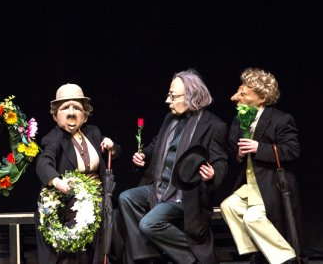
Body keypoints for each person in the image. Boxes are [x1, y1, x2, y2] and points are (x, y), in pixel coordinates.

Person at [118, 69, 228, 264]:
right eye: (169, 95)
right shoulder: (170, 119)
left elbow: (220, 161)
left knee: (149, 224)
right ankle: (147, 254)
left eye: (173, 96)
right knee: (126, 198)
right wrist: (144, 155)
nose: (167, 101)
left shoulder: (213, 125)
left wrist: (212, 174)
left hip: (185, 195)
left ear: (191, 96)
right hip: (160, 186)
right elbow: (156, 144)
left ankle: (191, 258)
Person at [220, 67, 303, 264]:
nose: (236, 97)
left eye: (244, 94)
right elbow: (232, 155)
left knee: (252, 218)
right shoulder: (239, 120)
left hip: (270, 185)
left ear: (261, 99)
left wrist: (259, 148)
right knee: (228, 206)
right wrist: (238, 155)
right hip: (250, 186)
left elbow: (292, 150)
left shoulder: (280, 119)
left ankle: (286, 258)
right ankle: (256, 251)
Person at [35, 83, 120, 264]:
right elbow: (44, 162)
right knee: (84, 215)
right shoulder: (53, 137)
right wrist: (55, 180)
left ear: (85, 115)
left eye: (77, 108)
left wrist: (111, 147)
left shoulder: (93, 132)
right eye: (65, 108)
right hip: (70, 198)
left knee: (105, 211)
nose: (72, 112)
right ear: (56, 115)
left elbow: (115, 151)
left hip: (100, 195)